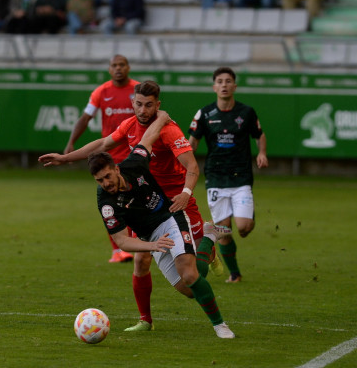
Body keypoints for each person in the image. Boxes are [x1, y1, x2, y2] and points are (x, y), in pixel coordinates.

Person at [40, 80, 208, 333]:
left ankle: (209, 241)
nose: (142, 110)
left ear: (157, 105)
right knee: (140, 261)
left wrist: (186, 193)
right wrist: (65, 158)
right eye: (138, 104)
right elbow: (102, 145)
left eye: (148, 105)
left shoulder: (168, 130)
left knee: (193, 278)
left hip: (175, 200)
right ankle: (145, 320)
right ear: (132, 103)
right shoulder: (129, 125)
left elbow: (192, 167)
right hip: (144, 202)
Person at [84, 111, 236, 339]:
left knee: (189, 275)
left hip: (170, 218)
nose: (106, 183)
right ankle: (209, 236)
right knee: (190, 290)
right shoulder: (106, 203)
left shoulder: (134, 164)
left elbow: (148, 138)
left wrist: (162, 119)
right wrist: (153, 245)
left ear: (116, 168)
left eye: (107, 176)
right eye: (100, 180)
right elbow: (122, 240)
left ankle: (220, 325)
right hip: (151, 237)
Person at [188, 66, 268, 284]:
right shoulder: (204, 114)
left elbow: (259, 135)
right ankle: (235, 274)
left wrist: (261, 153)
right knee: (223, 231)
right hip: (215, 177)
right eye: (220, 81)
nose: (224, 85)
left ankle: (247, 217)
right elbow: (192, 143)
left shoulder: (246, 112)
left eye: (228, 81)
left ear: (235, 85)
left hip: (241, 176)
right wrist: (183, 160)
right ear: (214, 87)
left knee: (243, 228)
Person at [64, 55, 140, 262]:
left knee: (137, 201)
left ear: (128, 67)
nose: (118, 68)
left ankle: (139, 244)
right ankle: (118, 250)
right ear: (109, 69)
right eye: (114, 65)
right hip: (111, 157)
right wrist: (71, 143)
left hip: (136, 155)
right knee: (113, 204)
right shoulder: (101, 91)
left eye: (121, 65)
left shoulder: (137, 90)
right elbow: (85, 118)